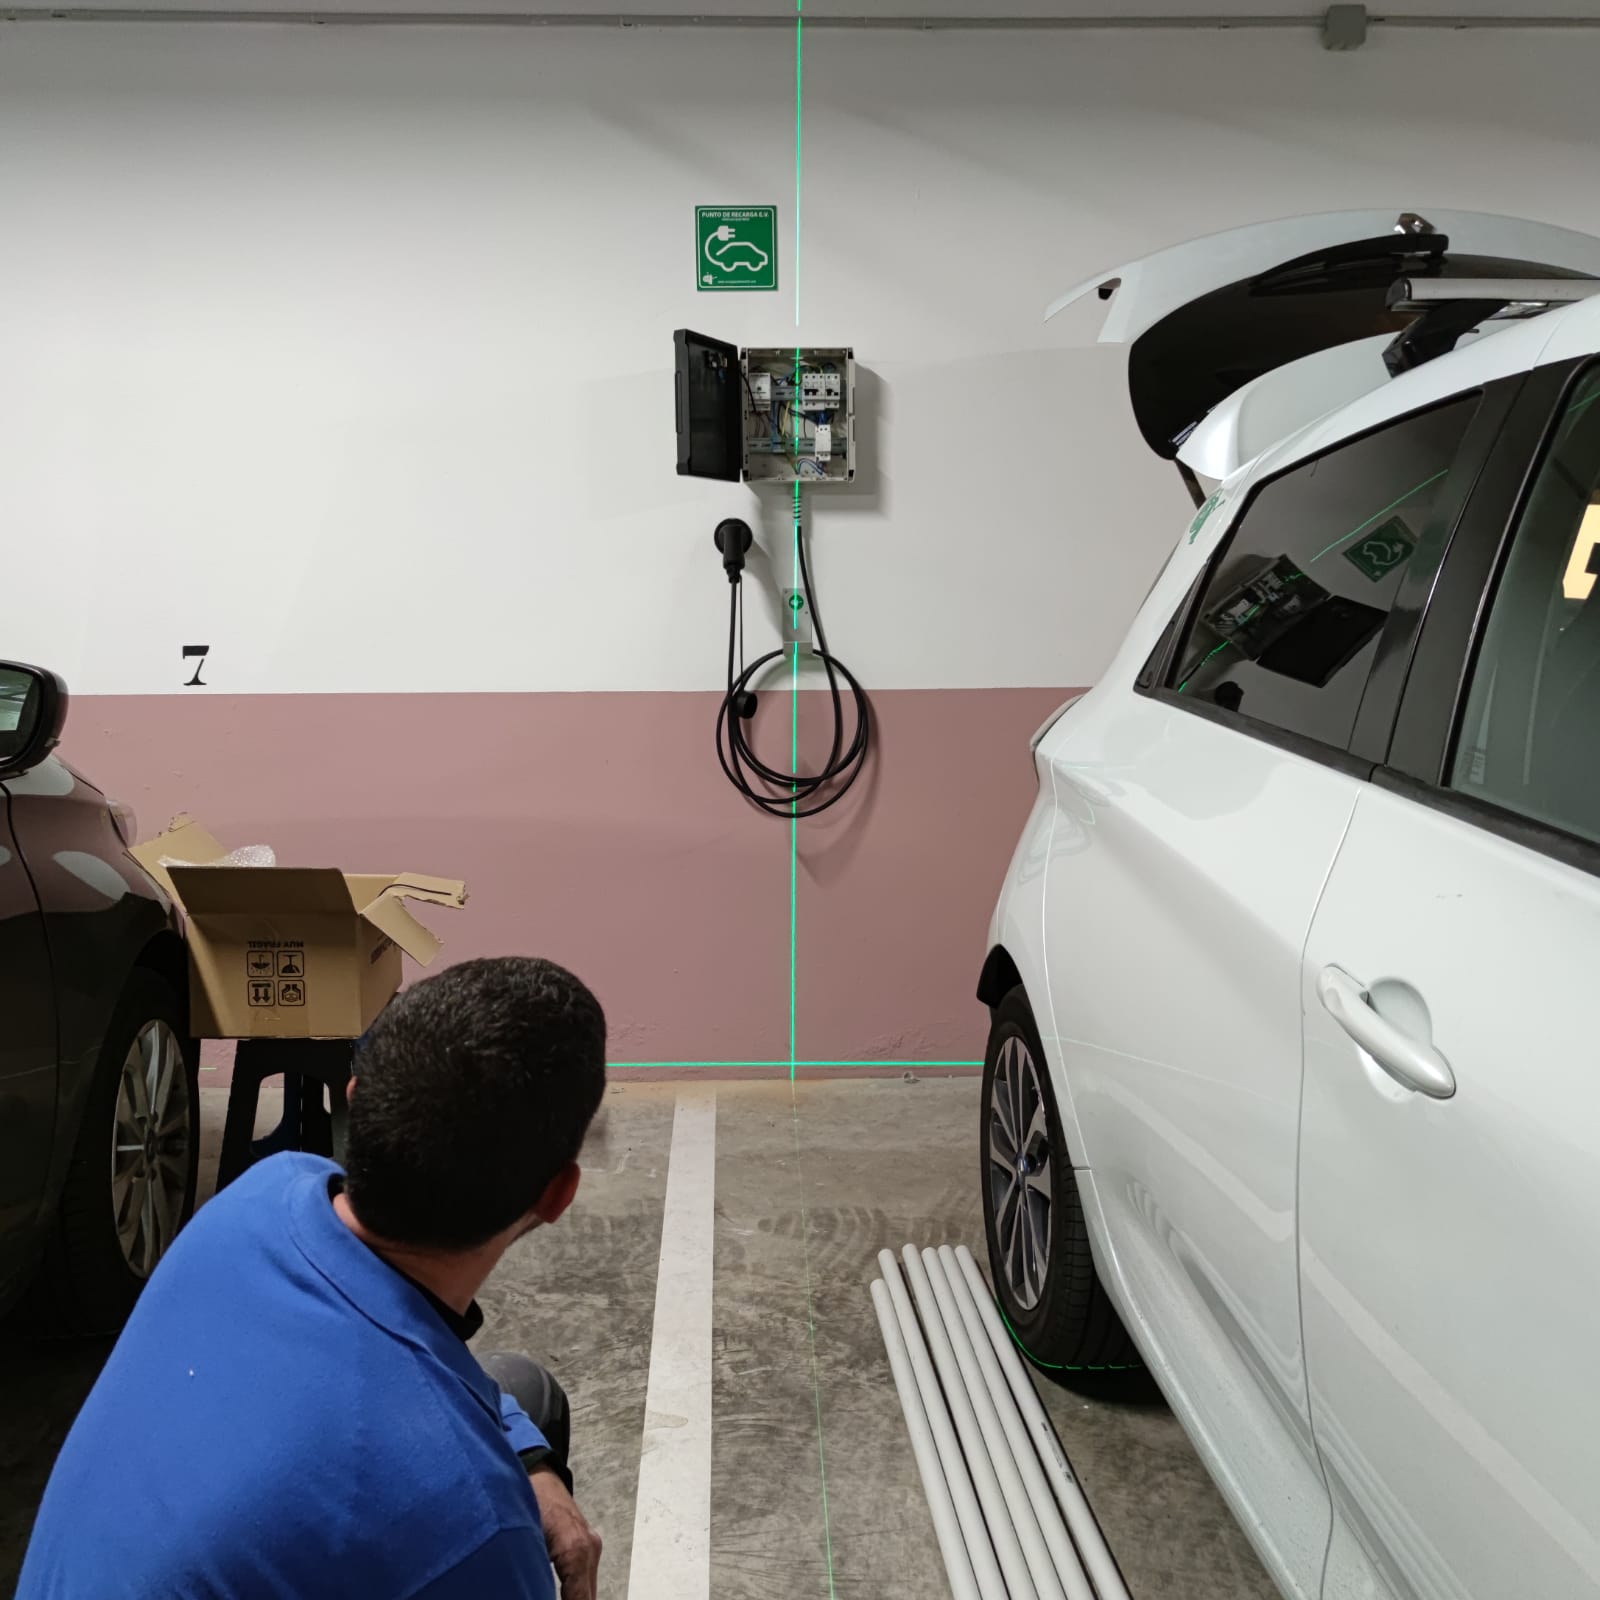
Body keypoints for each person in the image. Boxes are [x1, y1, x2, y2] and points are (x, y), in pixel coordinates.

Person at [19, 955, 609, 1600]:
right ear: (557, 1196)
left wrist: (531, 1462)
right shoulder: (476, 1527)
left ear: (355, 1104)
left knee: (523, 1393)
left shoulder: (268, 1192)